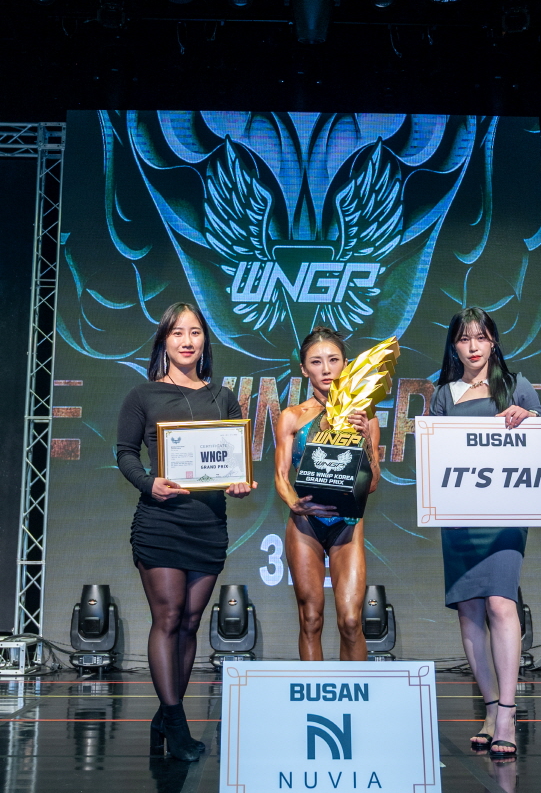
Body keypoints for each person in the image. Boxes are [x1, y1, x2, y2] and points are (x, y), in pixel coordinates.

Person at [116, 302, 255, 762]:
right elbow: (125, 453)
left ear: (204, 341)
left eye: (195, 332)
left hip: (208, 524)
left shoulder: (223, 397)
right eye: (177, 332)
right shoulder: (143, 395)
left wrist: (240, 483)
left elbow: (234, 460)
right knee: (169, 617)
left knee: (191, 623)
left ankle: (164, 714)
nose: (187, 340)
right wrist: (148, 483)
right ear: (164, 341)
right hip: (161, 523)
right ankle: (176, 723)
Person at [428, 307, 541, 758]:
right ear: (454, 346)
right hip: (459, 516)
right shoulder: (444, 394)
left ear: (494, 341)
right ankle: (490, 709)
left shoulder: (517, 386)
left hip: (505, 514)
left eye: (480, 337)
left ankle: (509, 713)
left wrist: (528, 418)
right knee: (469, 610)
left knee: (500, 602)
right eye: (464, 338)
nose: (473, 346)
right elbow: (436, 457)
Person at [273, 326, 379, 661]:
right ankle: (313, 691)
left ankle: (355, 691)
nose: (326, 369)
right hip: (306, 525)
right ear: (304, 369)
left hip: (347, 523)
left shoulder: (364, 416)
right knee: (311, 619)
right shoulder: (292, 417)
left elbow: (372, 482)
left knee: (351, 621)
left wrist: (366, 440)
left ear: (345, 364)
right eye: (316, 362)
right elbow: (281, 476)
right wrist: (295, 503)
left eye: (333, 360)